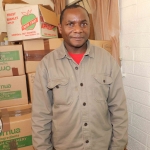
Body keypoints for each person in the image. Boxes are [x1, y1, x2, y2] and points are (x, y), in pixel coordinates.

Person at [32, 5, 128, 150]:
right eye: (70, 24)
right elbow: (41, 116)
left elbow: (119, 109)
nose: (78, 30)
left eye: (83, 23)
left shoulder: (107, 61)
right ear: (60, 28)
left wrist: (117, 146)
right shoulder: (46, 66)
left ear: (90, 26)